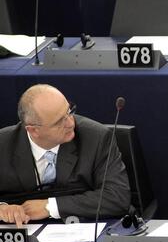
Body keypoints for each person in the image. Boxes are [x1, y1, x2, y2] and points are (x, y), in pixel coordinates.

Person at [0, 84, 131, 227]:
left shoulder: (96, 138)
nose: (70, 123)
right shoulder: (3, 145)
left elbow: (117, 197)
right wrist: (2, 208)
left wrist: (50, 207)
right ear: (33, 130)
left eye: (69, 112)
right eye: (59, 122)